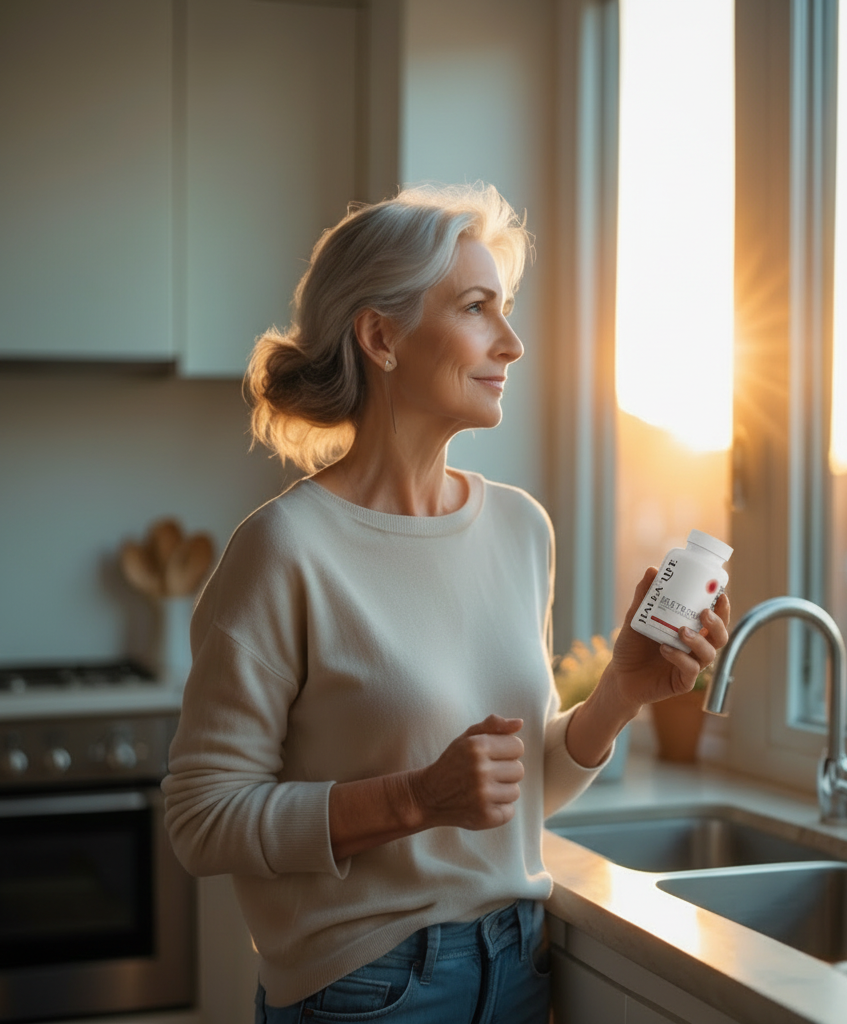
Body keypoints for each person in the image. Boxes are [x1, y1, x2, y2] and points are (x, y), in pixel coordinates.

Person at [161, 182, 731, 1024]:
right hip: (366, 990)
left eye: (505, 309)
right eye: (477, 308)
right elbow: (202, 820)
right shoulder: (285, 549)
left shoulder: (518, 527)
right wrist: (414, 801)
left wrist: (619, 696)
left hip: (519, 965)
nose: (513, 342)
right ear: (381, 336)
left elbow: (507, 792)